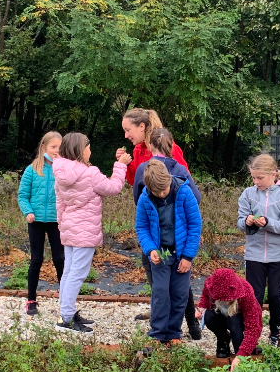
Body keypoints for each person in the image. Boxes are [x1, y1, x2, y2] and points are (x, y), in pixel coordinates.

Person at [52, 132, 130, 333]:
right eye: (88, 147)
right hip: (85, 231)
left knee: (69, 272)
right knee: (77, 274)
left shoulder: (60, 174)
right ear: (80, 150)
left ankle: (66, 312)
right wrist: (121, 165)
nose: (90, 151)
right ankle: (66, 318)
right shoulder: (90, 173)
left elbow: (59, 203)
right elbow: (113, 188)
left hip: (69, 229)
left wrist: (63, 225)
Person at [132, 127, 202, 339]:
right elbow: (141, 227)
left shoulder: (184, 191)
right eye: (157, 192)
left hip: (181, 253)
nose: (162, 194)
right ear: (149, 188)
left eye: (164, 190)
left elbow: (194, 225)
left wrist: (188, 257)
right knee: (160, 293)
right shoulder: (145, 197)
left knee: (180, 295)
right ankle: (157, 334)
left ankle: (174, 334)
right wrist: (150, 248)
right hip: (160, 253)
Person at [238, 154, 280, 347]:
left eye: (259, 178)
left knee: (275, 296)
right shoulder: (248, 193)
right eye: (253, 177)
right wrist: (247, 222)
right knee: (254, 295)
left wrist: (267, 223)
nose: (256, 182)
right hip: (254, 253)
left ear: (273, 174)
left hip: (278, 254)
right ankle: (253, 332)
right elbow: (240, 222)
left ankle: (275, 332)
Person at [17, 131, 64, 316]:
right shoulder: (32, 169)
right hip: (35, 221)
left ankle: (65, 299)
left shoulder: (63, 169)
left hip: (56, 221)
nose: (56, 151)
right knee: (36, 259)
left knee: (60, 259)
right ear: (43, 147)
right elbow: (22, 195)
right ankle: (31, 300)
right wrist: (28, 211)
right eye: (53, 147)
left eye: (59, 148)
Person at [196, 268, 263, 367]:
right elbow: (205, 296)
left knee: (234, 323)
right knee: (209, 317)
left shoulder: (246, 290)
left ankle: (244, 350)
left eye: (229, 300)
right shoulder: (210, 283)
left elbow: (253, 328)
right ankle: (223, 338)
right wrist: (201, 308)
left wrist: (241, 355)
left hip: (238, 319)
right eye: (222, 300)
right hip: (221, 315)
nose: (226, 303)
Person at [119, 108, 188, 187]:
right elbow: (136, 181)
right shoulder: (138, 150)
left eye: (128, 130)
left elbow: (185, 180)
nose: (126, 136)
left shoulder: (168, 148)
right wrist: (126, 164)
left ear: (141, 126)